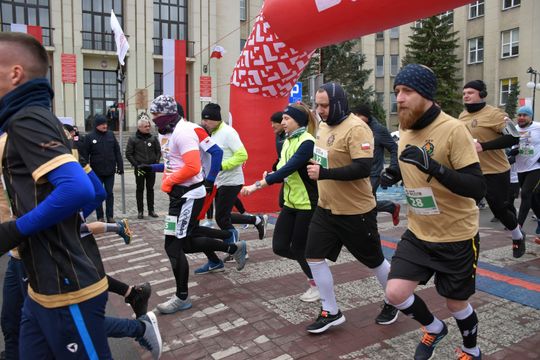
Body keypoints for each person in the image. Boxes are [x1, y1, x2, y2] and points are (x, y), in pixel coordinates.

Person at [0, 32, 111, 358]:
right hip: (40, 289)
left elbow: (80, 189)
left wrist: (14, 230)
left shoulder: (28, 118)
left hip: (69, 288)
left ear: (15, 73)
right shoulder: (25, 119)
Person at [382, 64, 486, 360]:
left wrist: (435, 168)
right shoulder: (405, 126)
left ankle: (471, 349)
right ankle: (434, 328)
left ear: (426, 94)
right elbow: (410, 164)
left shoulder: (453, 129)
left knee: (456, 304)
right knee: (395, 293)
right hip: (418, 232)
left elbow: (477, 188)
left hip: (456, 235)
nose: (399, 98)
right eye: (397, 91)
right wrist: (393, 174)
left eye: (407, 91)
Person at [303, 82, 397, 334]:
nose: (320, 110)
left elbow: (362, 168)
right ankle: (330, 311)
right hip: (326, 208)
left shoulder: (357, 128)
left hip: (356, 211)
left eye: (324, 105)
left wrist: (324, 173)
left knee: (375, 261)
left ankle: (394, 299)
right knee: (312, 254)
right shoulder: (323, 126)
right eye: (318, 105)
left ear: (339, 103)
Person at [148, 95, 247, 314]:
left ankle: (181, 297)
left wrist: (208, 179)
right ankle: (232, 246)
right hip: (180, 195)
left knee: (173, 246)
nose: (153, 120)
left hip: (188, 195)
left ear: (166, 114)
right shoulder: (169, 132)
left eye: (155, 115)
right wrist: (157, 170)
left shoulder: (185, 131)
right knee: (186, 242)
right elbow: (173, 163)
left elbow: (194, 166)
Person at [242, 102, 320, 302]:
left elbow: (290, 168)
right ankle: (316, 267)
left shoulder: (307, 142)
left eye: (287, 119)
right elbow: (281, 165)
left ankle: (317, 282)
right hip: (290, 201)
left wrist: (257, 184)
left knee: (299, 248)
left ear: (299, 121)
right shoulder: (287, 140)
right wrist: (272, 171)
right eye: (283, 119)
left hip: (307, 203)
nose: (282, 122)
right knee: (280, 246)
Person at [459, 80, 524, 257]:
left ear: (482, 94)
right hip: (471, 170)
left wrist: (483, 146)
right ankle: (463, 243)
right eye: (464, 93)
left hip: (495, 170)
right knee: (463, 206)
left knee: (500, 209)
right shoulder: (462, 116)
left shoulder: (494, 114)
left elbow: (514, 137)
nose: (466, 96)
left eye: (470, 92)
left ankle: (517, 235)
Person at [201, 103, 268, 241]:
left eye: (206, 120)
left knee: (222, 218)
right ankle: (257, 220)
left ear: (215, 119)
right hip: (219, 181)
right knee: (223, 216)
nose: (204, 123)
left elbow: (242, 155)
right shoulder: (213, 134)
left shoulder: (228, 132)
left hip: (231, 180)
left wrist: (221, 166)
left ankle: (235, 247)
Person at [352, 104, 401, 226]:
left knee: (364, 202)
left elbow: (394, 148)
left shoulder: (379, 130)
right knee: (365, 202)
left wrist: (393, 168)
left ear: (366, 117)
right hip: (359, 171)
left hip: (374, 173)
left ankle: (368, 228)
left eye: (359, 117)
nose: (356, 121)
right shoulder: (355, 128)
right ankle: (391, 207)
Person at [80, 114, 124, 223]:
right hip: (96, 172)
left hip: (110, 170)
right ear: (96, 125)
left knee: (109, 193)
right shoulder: (90, 137)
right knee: (99, 194)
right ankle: (100, 216)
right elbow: (84, 155)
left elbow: (117, 151)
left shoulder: (110, 135)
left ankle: (110, 216)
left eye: (106, 124)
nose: (105, 126)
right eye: (102, 124)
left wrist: (120, 165)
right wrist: (86, 169)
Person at [512, 105, 540, 242]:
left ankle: (519, 226)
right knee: (533, 200)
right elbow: (512, 146)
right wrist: (512, 152)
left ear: (530, 117)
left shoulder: (537, 127)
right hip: (521, 168)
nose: (522, 117)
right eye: (520, 115)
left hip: (536, 166)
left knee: (525, 194)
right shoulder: (515, 130)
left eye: (525, 115)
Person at [126, 114, 161, 219]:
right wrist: (137, 165)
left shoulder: (153, 138)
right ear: (139, 127)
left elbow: (158, 151)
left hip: (151, 168)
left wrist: (155, 163)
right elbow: (128, 154)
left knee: (150, 189)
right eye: (145, 126)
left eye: (148, 126)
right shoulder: (133, 139)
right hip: (140, 169)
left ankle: (151, 210)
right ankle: (140, 211)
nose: (148, 128)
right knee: (140, 189)